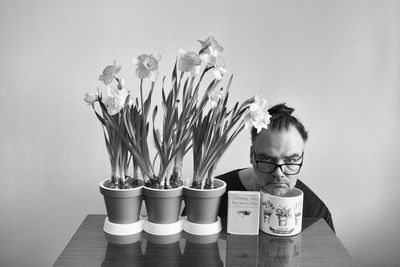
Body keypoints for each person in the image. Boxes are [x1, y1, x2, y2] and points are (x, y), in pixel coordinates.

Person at [217, 103, 335, 233]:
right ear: (252, 155)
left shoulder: (316, 214)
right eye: (267, 159)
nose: (279, 173)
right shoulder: (214, 196)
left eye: (290, 160)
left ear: (301, 158)